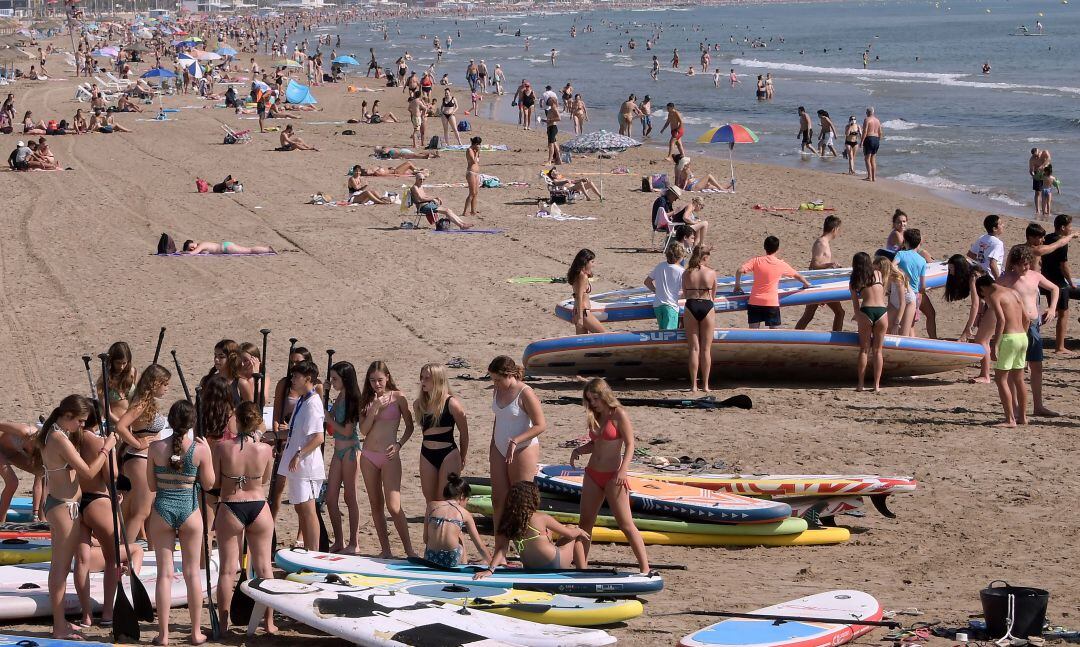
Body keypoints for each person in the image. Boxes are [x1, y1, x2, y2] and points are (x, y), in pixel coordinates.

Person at [40, 395, 117, 640]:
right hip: (64, 508)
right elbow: (88, 471)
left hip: (61, 504)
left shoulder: (53, 432)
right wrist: (107, 448)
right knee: (60, 570)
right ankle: (59, 626)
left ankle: (60, 621)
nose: (82, 426)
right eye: (81, 421)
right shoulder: (58, 438)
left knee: (61, 568)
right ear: (69, 416)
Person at [146, 400, 214, 646]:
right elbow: (208, 484)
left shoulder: (155, 448)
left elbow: (152, 486)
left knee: (165, 574)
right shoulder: (199, 449)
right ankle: (195, 632)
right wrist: (206, 452)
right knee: (192, 573)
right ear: (192, 423)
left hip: (162, 508)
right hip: (189, 509)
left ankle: (163, 635)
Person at [213, 401, 275, 634]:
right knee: (264, 568)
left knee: (228, 570)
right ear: (257, 422)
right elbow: (265, 479)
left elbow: (216, 481)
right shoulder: (265, 449)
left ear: (237, 421)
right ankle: (268, 622)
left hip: (231, 505)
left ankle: (223, 624)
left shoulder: (222, 448)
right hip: (258, 506)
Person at [358, 361, 416, 558]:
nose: (377, 384)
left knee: (393, 505)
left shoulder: (398, 397)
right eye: (372, 380)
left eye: (380, 380)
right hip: (368, 455)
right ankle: (386, 549)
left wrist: (399, 444)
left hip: (389, 455)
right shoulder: (366, 399)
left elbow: (410, 426)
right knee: (376, 504)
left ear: (388, 378)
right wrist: (374, 408)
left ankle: (409, 550)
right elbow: (363, 431)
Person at [474, 481, 588, 578]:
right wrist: (580, 531)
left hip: (530, 567)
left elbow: (501, 549)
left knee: (557, 534)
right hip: (554, 564)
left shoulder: (508, 520)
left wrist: (490, 570)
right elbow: (570, 534)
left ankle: (582, 573)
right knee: (573, 529)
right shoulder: (541, 517)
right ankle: (583, 573)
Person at [998, 244, 1058, 418]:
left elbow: (1054, 289)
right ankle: (1015, 407)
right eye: (1022, 264)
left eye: (1027, 264)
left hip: (1034, 325)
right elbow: (992, 295)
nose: (1025, 267)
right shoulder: (1006, 279)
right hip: (1016, 326)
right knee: (1015, 368)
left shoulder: (1035, 276)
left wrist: (1052, 308)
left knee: (1036, 365)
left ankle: (1038, 405)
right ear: (1014, 264)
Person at [487, 356, 546, 529]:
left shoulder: (525, 392)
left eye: (498, 380)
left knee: (520, 500)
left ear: (509, 375)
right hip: (499, 446)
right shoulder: (497, 390)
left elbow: (540, 425)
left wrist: (516, 440)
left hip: (523, 447)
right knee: (498, 499)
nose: (495, 383)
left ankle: (527, 545)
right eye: (493, 380)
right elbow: (499, 418)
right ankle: (500, 549)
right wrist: (492, 445)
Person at [115, 364, 171, 543]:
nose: (166, 389)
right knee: (142, 511)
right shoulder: (141, 403)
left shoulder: (146, 402)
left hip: (144, 458)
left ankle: (122, 545)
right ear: (155, 383)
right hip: (140, 458)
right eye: (165, 384)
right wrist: (138, 442)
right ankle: (126, 552)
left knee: (134, 507)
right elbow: (121, 426)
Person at [280, 360, 326, 552]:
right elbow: (294, 432)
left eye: (296, 377)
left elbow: (318, 437)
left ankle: (313, 552)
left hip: (306, 465)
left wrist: (299, 454)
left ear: (308, 379)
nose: (293, 380)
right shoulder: (302, 400)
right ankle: (309, 549)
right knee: (300, 508)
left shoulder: (313, 402)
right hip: (297, 464)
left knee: (308, 510)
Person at [976, 275, 1028, 428]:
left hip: (1009, 338)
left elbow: (1001, 320)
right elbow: (1027, 318)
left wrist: (995, 345)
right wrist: (1023, 335)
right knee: (1019, 379)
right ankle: (1023, 417)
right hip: (1022, 337)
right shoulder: (1014, 292)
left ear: (982, 289)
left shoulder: (994, 295)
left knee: (1001, 379)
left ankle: (1010, 419)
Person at [414, 363, 469, 505]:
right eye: (422, 377)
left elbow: (464, 433)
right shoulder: (419, 404)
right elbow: (425, 432)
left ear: (438, 380)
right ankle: (430, 528)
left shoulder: (452, 403)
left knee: (444, 500)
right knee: (430, 501)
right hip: (427, 453)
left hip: (448, 453)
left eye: (427, 378)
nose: (423, 381)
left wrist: (463, 456)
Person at [325, 361, 363, 554]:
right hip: (337, 451)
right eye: (331, 378)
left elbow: (347, 431)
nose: (332, 382)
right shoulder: (340, 396)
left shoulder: (353, 399)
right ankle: (339, 540)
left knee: (350, 497)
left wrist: (328, 417)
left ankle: (354, 542)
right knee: (330, 497)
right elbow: (331, 426)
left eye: (335, 379)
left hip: (350, 451)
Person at [735, 236, 811, 329]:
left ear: (764, 247)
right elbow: (797, 275)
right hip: (771, 303)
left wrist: (737, 286)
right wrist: (806, 284)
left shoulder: (756, 261)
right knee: (774, 334)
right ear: (777, 249)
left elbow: (739, 270)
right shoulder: (780, 264)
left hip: (755, 302)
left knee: (753, 334)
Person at [423, 474, 490, 568]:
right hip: (451, 559)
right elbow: (480, 546)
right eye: (467, 500)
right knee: (459, 534)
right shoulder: (464, 513)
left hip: (431, 558)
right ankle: (464, 564)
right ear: (462, 496)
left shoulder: (431, 506)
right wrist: (492, 564)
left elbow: (425, 539)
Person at [944, 254, 991, 383]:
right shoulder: (974, 271)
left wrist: (967, 329)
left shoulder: (973, 276)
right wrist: (977, 319)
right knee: (981, 339)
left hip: (995, 306)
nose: (950, 272)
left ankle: (985, 375)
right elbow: (981, 303)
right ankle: (984, 373)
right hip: (992, 305)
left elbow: (976, 304)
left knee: (982, 341)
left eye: (951, 269)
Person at [795, 215, 845, 331]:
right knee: (839, 312)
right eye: (839, 229)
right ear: (834, 229)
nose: (839, 232)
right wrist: (830, 265)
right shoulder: (821, 243)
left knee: (809, 314)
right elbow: (814, 265)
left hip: (821, 282)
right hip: (818, 283)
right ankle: (836, 340)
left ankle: (794, 335)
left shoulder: (825, 242)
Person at [849, 252, 889, 392]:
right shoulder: (878, 274)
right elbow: (883, 293)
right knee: (878, 351)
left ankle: (860, 385)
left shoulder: (855, 279)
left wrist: (858, 316)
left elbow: (855, 305)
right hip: (882, 312)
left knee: (864, 350)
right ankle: (876, 385)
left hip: (866, 311)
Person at [682, 246, 717, 393]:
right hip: (707, 306)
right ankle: (706, 385)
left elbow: (684, 293)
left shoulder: (686, 273)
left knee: (694, 348)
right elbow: (713, 296)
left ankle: (693, 386)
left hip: (691, 305)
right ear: (705, 257)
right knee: (706, 349)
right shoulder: (711, 272)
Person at [1040, 214, 1074, 353]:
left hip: (1046, 278)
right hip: (1058, 281)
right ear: (1063, 227)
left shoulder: (1046, 238)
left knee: (1052, 310)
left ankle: (1030, 323)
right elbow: (1063, 266)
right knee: (1063, 313)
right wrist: (1071, 282)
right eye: (1070, 227)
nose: (1071, 229)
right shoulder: (1062, 243)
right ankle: (1060, 346)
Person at [893, 229, 935, 337]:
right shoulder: (922, 261)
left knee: (903, 325)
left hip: (900, 292)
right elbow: (923, 285)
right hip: (915, 296)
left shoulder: (901, 254)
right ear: (919, 243)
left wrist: (901, 275)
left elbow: (892, 266)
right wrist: (923, 289)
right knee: (909, 325)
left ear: (906, 242)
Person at [645, 244, 685, 330]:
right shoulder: (681, 271)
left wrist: (656, 291)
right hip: (670, 305)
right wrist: (680, 296)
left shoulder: (660, 266)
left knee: (662, 331)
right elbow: (686, 290)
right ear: (680, 257)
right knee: (669, 334)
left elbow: (647, 282)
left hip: (657, 304)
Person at [97, 341, 137, 428]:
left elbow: (137, 399)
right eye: (118, 363)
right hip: (114, 425)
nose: (121, 367)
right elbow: (106, 411)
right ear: (111, 361)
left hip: (132, 424)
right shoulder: (104, 380)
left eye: (124, 363)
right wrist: (122, 425)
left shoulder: (132, 372)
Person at [568, 249, 605, 335]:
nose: (593, 264)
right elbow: (579, 296)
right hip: (584, 313)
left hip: (579, 311)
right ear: (585, 262)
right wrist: (580, 318)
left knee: (582, 342)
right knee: (603, 335)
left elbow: (576, 296)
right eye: (592, 262)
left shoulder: (578, 275)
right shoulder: (582, 276)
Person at [967, 214, 1005, 279]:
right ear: (995, 229)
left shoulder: (982, 238)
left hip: (980, 273)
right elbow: (992, 264)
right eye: (1001, 224)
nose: (1003, 225)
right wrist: (998, 281)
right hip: (991, 277)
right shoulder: (998, 243)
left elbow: (970, 254)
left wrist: (982, 261)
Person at [862, 107, 882, 181]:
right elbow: (880, 132)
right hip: (876, 139)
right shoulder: (877, 120)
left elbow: (865, 132)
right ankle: (874, 177)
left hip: (869, 138)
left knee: (867, 159)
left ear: (867, 112)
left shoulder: (867, 119)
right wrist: (878, 140)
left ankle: (869, 176)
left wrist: (861, 141)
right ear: (873, 112)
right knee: (873, 159)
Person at [464, 136, 482, 218]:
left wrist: (478, 153)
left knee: (476, 193)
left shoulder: (475, 150)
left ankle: (473, 210)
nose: (479, 146)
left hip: (476, 173)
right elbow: (473, 161)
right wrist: (477, 153)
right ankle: (465, 211)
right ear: (475, 144)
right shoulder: (469, 150)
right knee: (471, 193)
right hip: (471, 173)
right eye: (478, 144)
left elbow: (478, 160)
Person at [182, 240, 275, 255]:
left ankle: (268, 249)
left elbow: (193, 253)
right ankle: (267, 249)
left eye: (192, 246)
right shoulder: (203, 246)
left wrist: (184, 252)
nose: (192, 249)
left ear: (194, 242)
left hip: (226, 248)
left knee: (249, 250)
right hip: (225, 246)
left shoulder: (201, 244)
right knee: (248, 249)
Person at [544, 96, 561, 165]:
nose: (548, 101)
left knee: (550, 144)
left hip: (553, 128)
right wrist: (545, 120)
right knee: (554, 144)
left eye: (549, 100)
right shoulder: (551, 109)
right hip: (550, 127)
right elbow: (550, 119)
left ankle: (549, 161)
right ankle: (559, 159)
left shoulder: (554, 108)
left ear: (553, 101)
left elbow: (559, 118)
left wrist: (550, 120)